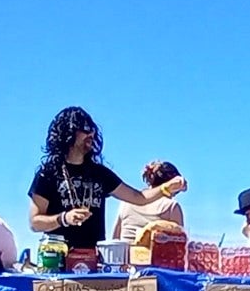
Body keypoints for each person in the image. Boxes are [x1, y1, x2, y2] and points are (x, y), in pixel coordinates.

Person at [28, 107, 187, 253]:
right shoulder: (47, 174)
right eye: (85, 129)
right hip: (57, 258)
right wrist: (64, 218)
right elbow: (35, 222)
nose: (91, 134)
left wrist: (167, 187)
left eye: (92, 130)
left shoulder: (99, 173)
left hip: (93, 259)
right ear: (68, 133)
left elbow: (139, 198)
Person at [113, 161, 187, 241]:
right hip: (154, 253)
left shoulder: (126, 202)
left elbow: (115, 238)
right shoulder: (171, 207)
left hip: (124, 253)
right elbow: (179, 243)